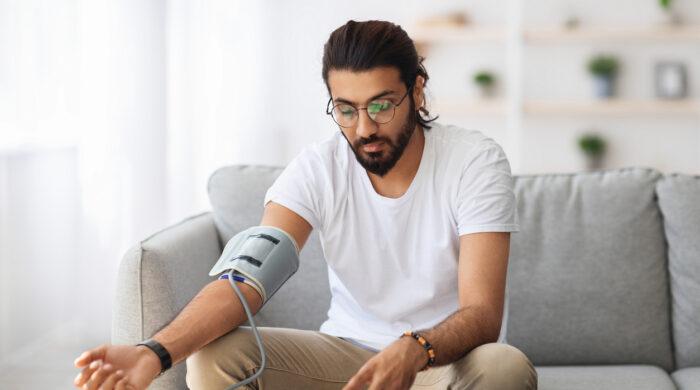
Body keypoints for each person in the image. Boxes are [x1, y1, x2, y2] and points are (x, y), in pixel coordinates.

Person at [73, 19, 538, 390]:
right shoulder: (319, 166)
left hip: (443, 364)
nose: (363, 129)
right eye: (346, 109)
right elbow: (247, 277)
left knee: (504, 367)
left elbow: (482, 314)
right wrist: (152, 353)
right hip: (346, 356)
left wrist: (414, 348)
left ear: (417, 91)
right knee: (216, 355)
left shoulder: (475, 161)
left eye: (381, 106)